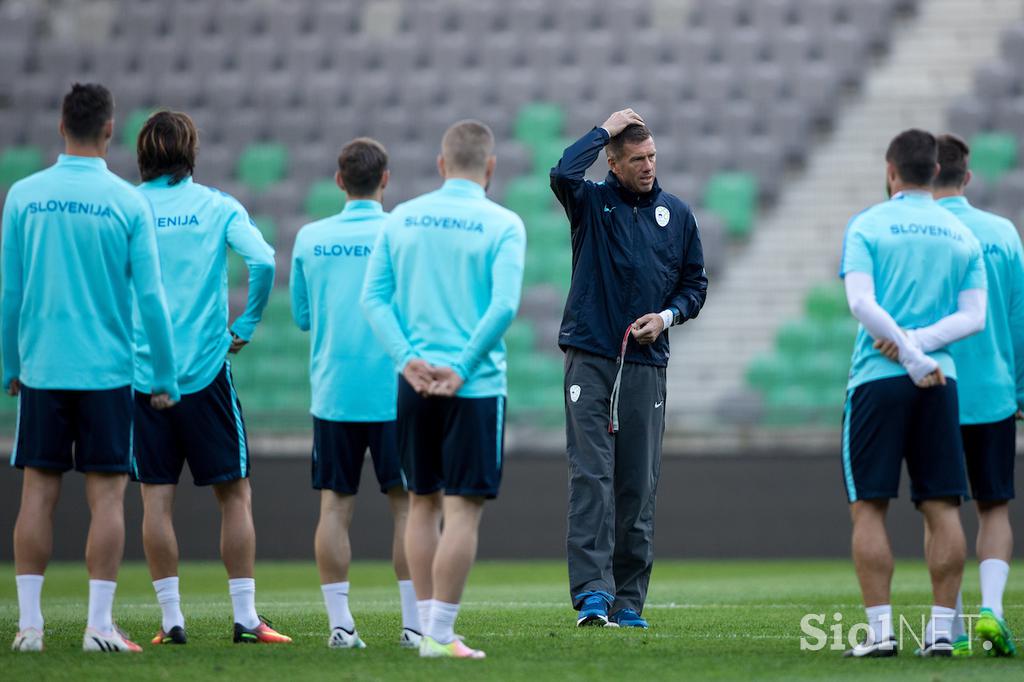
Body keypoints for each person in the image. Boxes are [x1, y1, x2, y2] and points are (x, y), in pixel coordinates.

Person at [3, 83, 179, 653]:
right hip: (106, 373)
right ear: (110, 131)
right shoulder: (129, 203)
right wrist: (165, 378)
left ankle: (29, 628)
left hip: (44, 370)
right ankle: (98, 627)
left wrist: (10, 363)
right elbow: (151, 300)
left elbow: (9, 294)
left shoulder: (23, 196)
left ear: (60, 125)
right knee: (107, 499)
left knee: (37, 496)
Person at [361, 120, 525, 659]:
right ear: (491, 168)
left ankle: (427, 630)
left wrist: (408, 362)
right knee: (462, 511)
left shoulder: (400, 218)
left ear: (440, 164)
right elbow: (503, 306)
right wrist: (460, 367)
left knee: (421, 504)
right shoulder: (504, 224)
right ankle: (440, 632)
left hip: (414, 384)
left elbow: (374, 300)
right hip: (472, 387)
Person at [131, 110, 288, 646]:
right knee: (234, 494)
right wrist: (243, 324)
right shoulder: (216, 205)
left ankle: (171, 619)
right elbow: (264, 262)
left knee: (156, 499)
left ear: (143, 154)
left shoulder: (128, 207)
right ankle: (245, 618)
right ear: (190, 152)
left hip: (143, 377)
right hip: (205, 373)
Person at [551, 109, 707, 628]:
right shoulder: (592, 203)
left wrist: (665, 318)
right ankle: (593, 594)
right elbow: (562, 172)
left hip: (645, 362)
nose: (648, 166)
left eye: (652, 157)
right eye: (637, 159)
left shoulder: (678, 215)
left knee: (638, 485)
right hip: (591, 357)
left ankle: (629, 601)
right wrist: (603, 128)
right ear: (613, 164)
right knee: (591, 476)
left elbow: (694, 286)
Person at [839, 129, 987, 658]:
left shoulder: (868, 224)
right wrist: (922, 351)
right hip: (938, 381)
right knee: (943, 506)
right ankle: (942, 632)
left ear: (891, 171)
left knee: (870, 509)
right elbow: (974, 316)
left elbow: (862, 303)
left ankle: (880, 635)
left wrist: (903, 348)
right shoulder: (960, 235)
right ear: (936, 173)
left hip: (878, 379)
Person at [875, 133, 1020, 656]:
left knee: (941, 506)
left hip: (937, 385)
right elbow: (1018, 319)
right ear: (968, 176)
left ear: (927, 172)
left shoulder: (927, 233)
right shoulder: (1004, 232)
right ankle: (995, 611)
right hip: (997, 391)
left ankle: (951, 625)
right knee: (994, 507)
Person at [291, 137, 422, 650]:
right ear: (385, 179)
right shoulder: (403, 234)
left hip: (334, 393)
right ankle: (413, 626)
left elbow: (303, 318)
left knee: (334, 507)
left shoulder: (309, 237)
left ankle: (340, 626)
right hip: (396, 392)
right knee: (408, 507)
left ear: (339, 181)